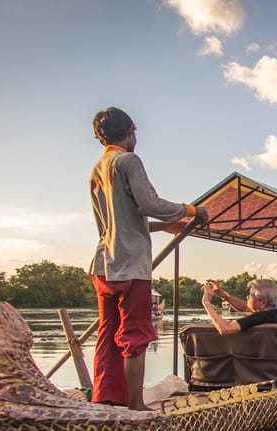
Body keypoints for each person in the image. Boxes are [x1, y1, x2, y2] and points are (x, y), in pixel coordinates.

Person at [88, 106, 207, 410]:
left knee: (107, 334)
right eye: (134, 133)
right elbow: (149, 203)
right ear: (130, 133)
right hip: (131, 266)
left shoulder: (97, 170)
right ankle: (135, 407)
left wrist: (164, 226)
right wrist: (192, 211)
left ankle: (106, 400)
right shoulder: (128, 160)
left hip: (103, 265)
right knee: (134, 336)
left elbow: (121, 220)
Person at [200, 278, 277, 334]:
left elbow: (225, 329)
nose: (247, 297)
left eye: (250, 295)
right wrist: (224, 295)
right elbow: (245, 307)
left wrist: (206, 302)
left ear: (262, 302)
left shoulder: (259, 317)